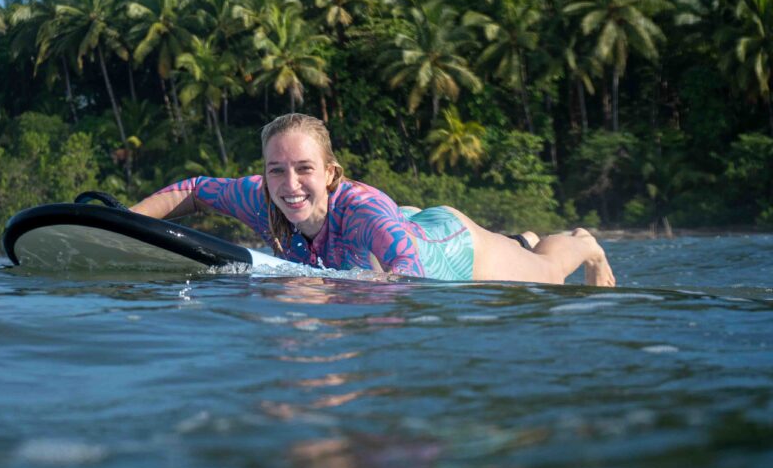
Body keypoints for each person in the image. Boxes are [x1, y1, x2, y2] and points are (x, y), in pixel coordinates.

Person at [131, 113, 615, 286]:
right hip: (397, 228)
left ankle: (580, 241)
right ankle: (521, 239)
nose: (290, 184)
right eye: (276, 170)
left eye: (305, 170)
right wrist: (116, 220)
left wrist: (335, 298)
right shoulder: (262, 196)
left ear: (331, 173)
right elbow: (193, 191)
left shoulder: (360, 206)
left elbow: (412, 277)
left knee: (548, 274)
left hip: (451, 248)